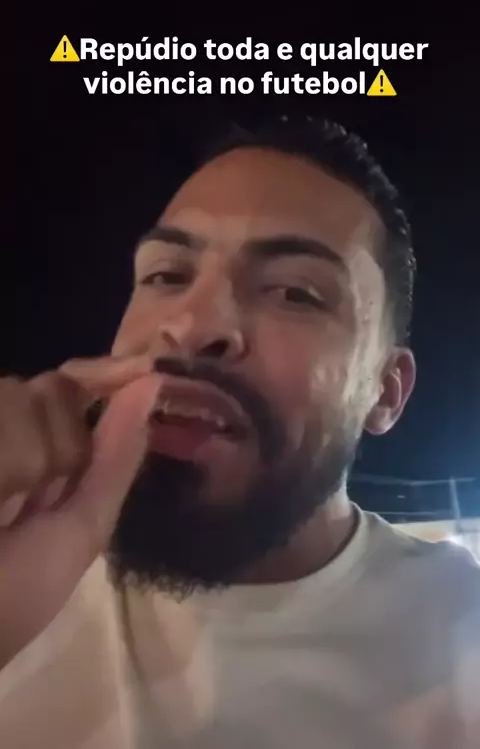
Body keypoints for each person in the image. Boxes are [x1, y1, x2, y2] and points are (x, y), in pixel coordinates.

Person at [0, 118, 478, 748]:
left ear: (385, 391)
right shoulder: (16, 548)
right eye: (167, 275)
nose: (193, 325)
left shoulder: (460, 637)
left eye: (296, 293)